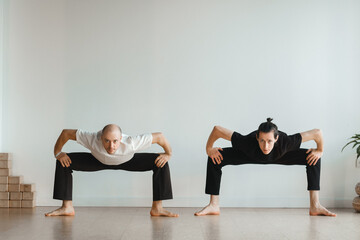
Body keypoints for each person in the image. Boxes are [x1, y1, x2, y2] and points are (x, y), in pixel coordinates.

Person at [195, 118, 336, 217]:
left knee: (313, 158)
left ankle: (315, 205)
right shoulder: (246, 143)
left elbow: (317, 132)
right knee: (215, 157)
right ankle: (213, 205)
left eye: (269, 141)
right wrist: (209, 148)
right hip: (249, 154)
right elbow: (217, 129)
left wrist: (320, 150)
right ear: (257, 138)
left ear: (276, 138)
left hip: (281, 155)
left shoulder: (286, 142)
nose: (266, 146)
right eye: (262, 141)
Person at [45, 124, 178, 217]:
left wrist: (168, 154)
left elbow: (159, 137)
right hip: (97, 160)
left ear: (121, 139)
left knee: (161, 162)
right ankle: (67, 207)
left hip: (127, 161)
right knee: (63, 161)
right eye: (107, 141)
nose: (111, 146)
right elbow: (66, 133)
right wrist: (58, 153)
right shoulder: (91, 138)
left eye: (115, 141)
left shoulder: (131, 142)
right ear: (100, 138)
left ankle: (157, 208)